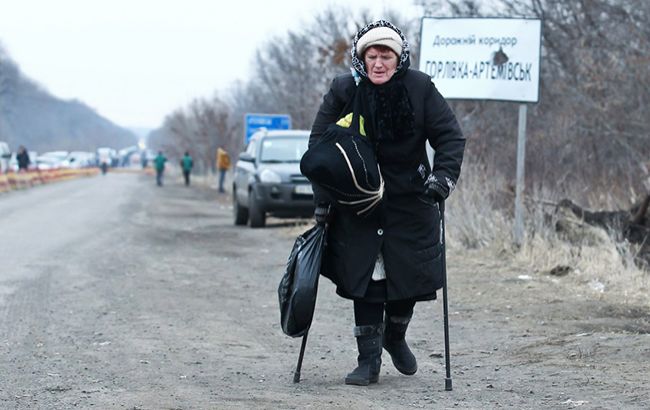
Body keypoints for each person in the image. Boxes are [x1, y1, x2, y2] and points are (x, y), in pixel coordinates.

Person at [309, 20, 465, 386]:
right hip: (356, 201)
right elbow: (317, 146)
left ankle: (395, 336)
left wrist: (441, 179)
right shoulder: (344, 90)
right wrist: (324, 198)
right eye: (372, 55)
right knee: (365, 278)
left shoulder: (420, 88)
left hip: (411, 198)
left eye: (386, 55)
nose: (379, 63)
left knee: (404, 274)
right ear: (361, 58)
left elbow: (451, 138)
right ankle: (368, 361)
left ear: (399, 58)